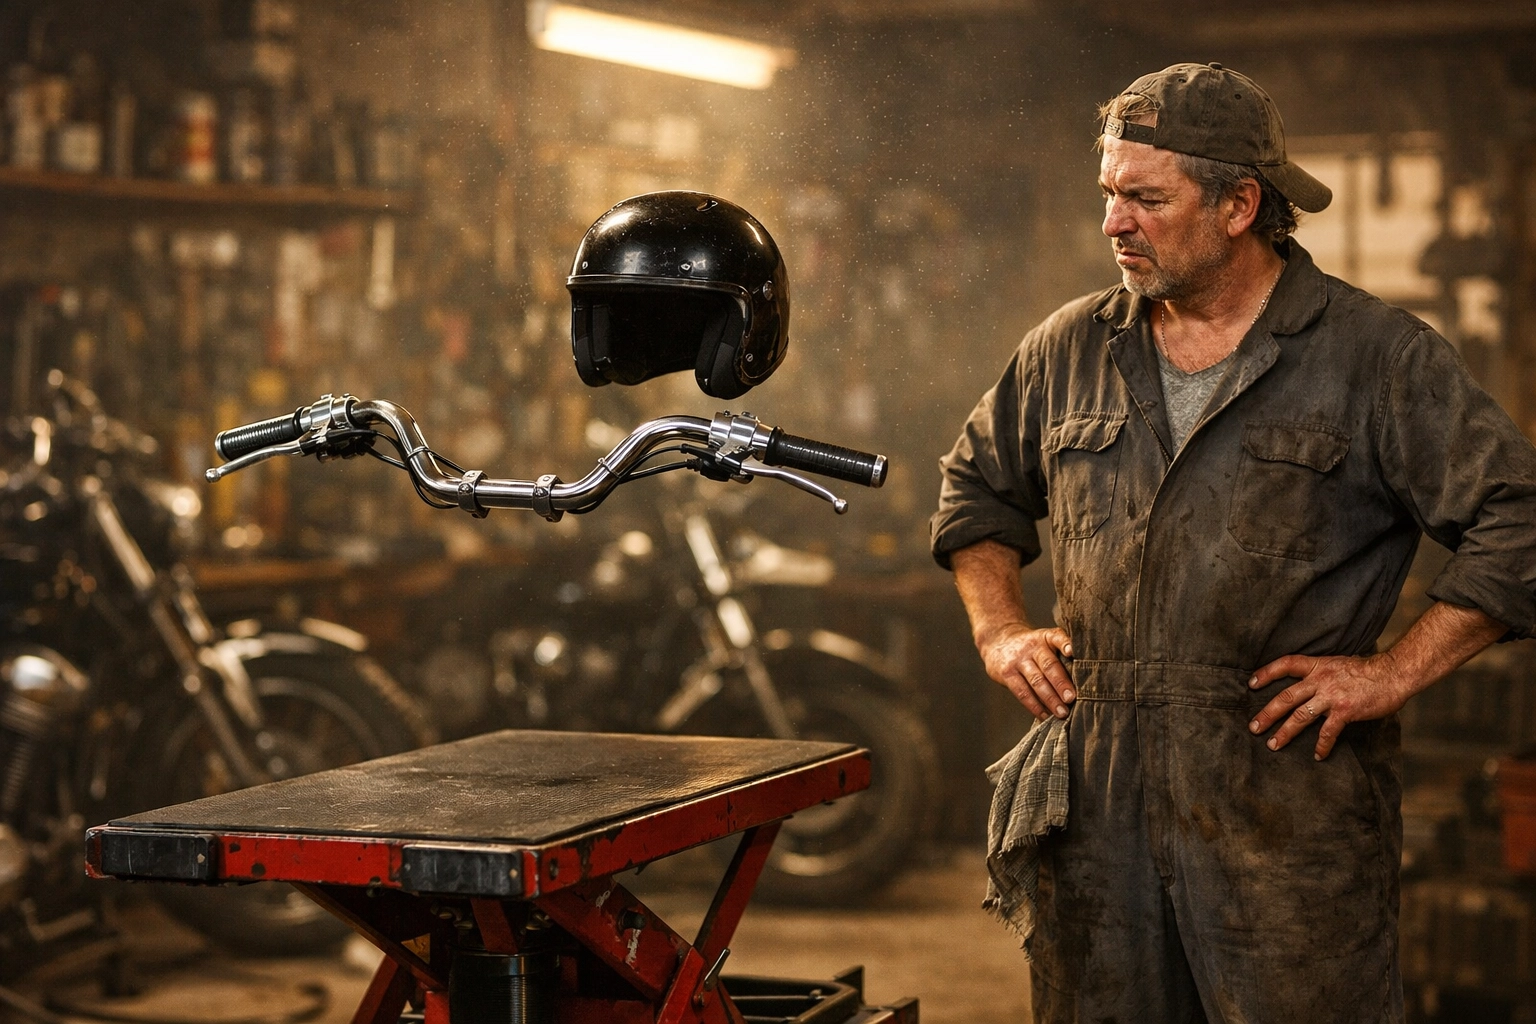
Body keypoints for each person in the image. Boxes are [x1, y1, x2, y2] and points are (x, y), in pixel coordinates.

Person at [931, 62, 1536, 1023]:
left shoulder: (1376, 358)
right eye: (1109, 193)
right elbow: (976, 491)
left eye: (1146, 198)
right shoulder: (1069, 348)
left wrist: (1391, 673)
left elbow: (1519, 520)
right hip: (1099, 815)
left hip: (1284, 810)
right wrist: (999, 630)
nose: (1114, 223)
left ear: (1239, 205)